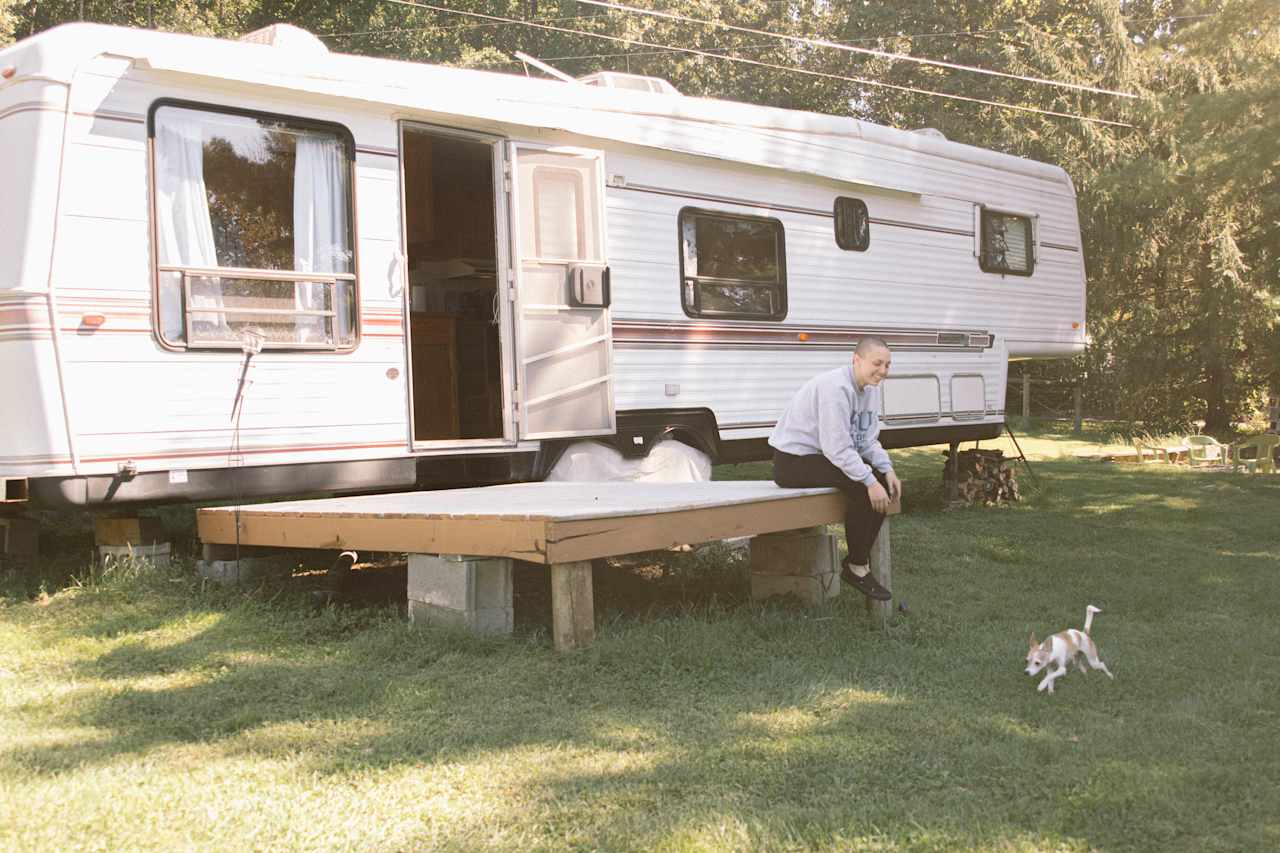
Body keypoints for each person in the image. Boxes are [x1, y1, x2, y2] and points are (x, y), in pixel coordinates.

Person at [768, 337, 901, 601]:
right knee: (863, 487)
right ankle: (857, 567)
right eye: (877, 363)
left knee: (878, 484)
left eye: (887, 365)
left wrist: (887, 470)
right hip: (793, 461)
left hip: (821, 456)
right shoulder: (836, 389)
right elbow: (837, 448)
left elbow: (866, 440)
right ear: (857, 360)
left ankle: (856, 562)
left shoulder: (870, 389)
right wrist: (869, 481)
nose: (883, 371)